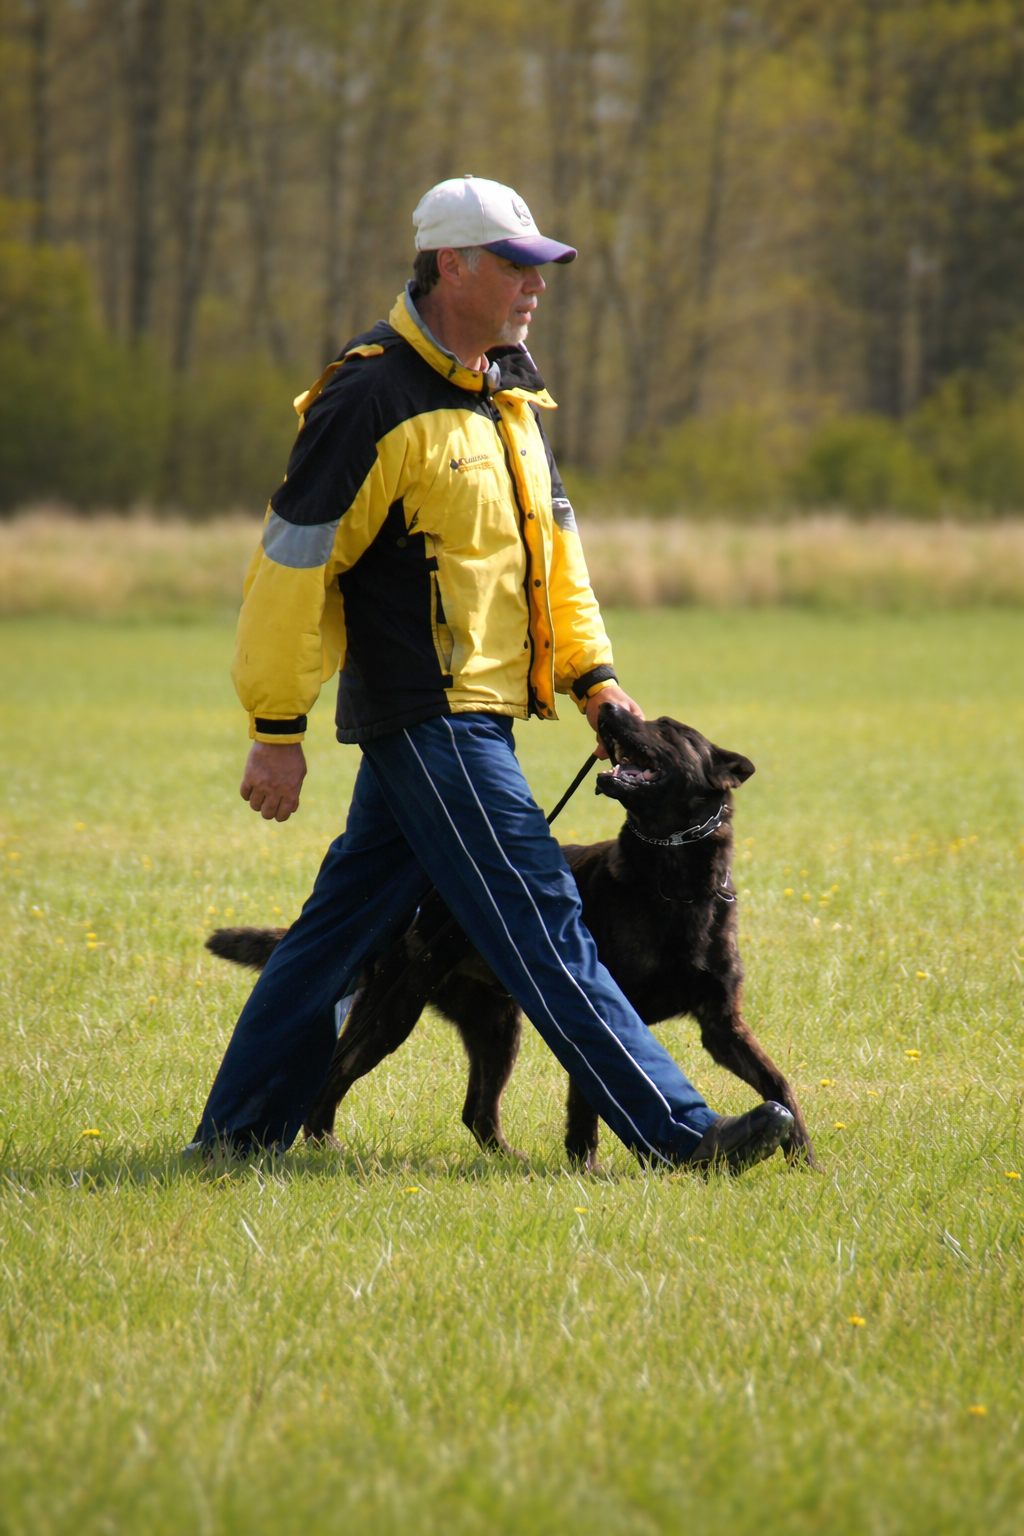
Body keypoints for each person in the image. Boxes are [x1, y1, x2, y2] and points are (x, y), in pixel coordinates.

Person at [189, 174, 792, 1172]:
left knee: (333, 936)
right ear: (450, 264)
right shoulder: (368, 394)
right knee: (543, 918)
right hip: (429, 719)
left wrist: (593, 678)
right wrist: (275, 726)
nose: (534, 286)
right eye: (514, 265)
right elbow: (291, 566)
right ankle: (681, 1138)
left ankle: (233, 1136)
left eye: (541, 268)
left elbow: (554, 556)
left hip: (473, 721)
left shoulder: (509, 396)